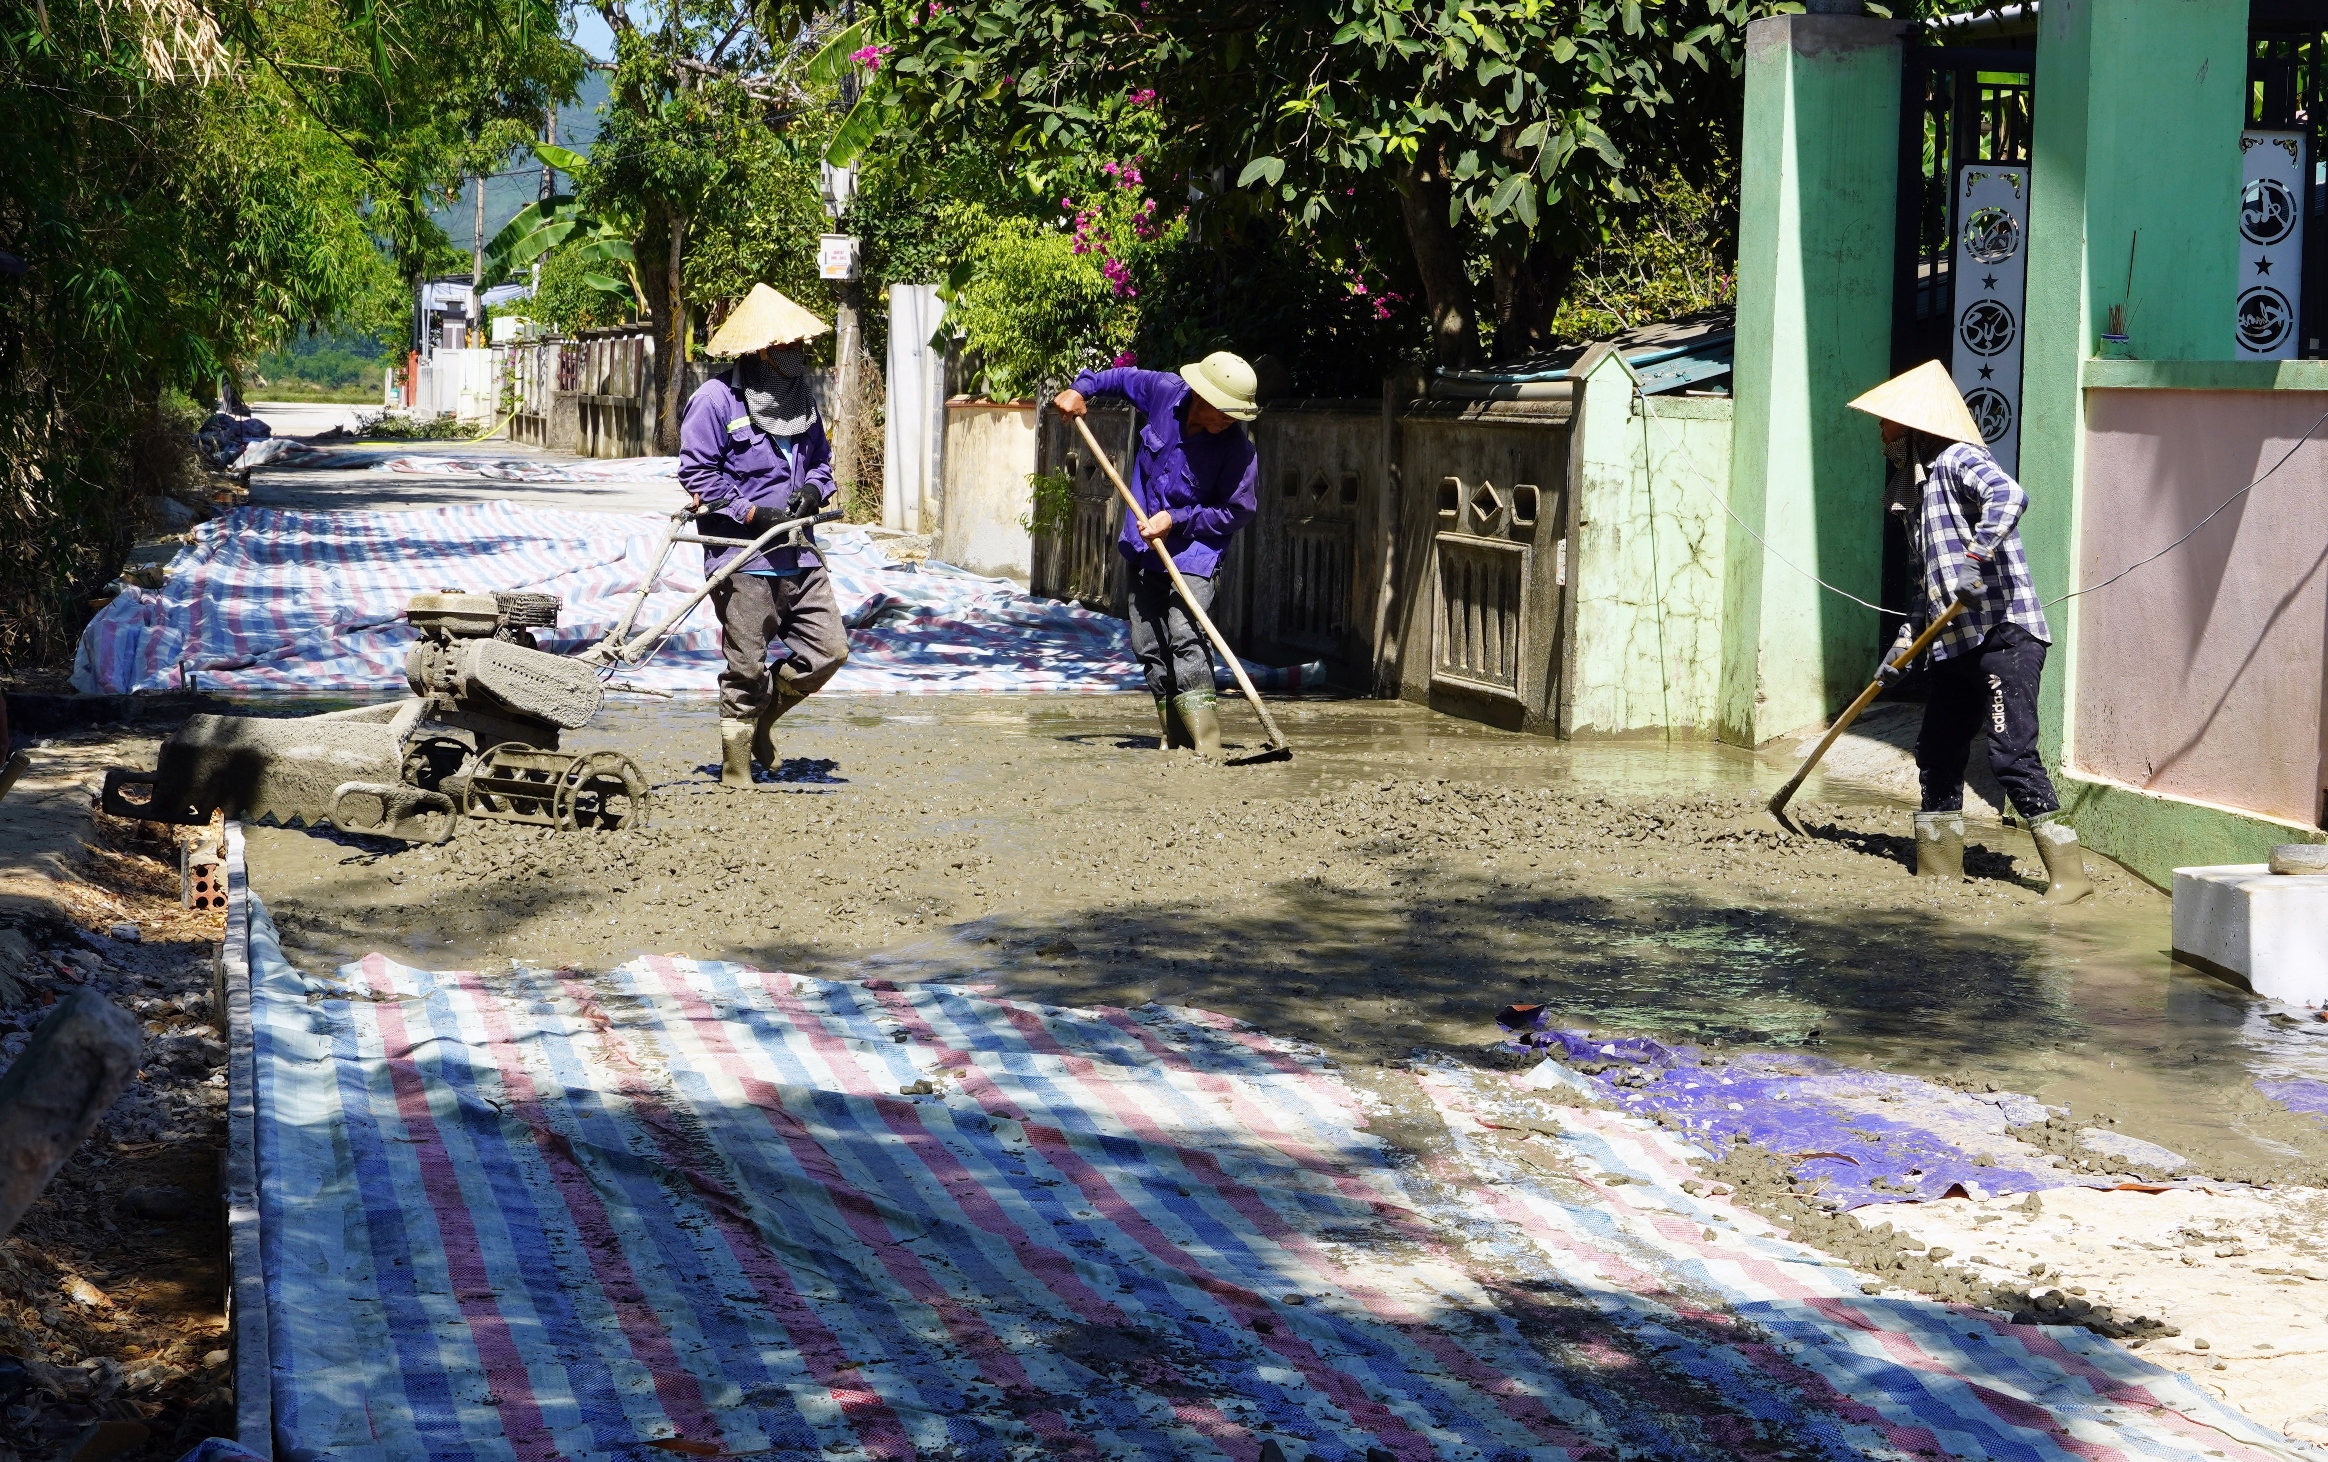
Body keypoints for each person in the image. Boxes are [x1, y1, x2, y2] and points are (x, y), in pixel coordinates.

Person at [1848, 360, 2091, 902]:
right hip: (1955, 643)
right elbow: (1928, 598)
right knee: (1935, 749)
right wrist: (1899, 654)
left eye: (1887, 424)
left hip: (2004, 634)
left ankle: (2069, 878)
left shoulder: (1960, 460)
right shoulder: (1914, 498)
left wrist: (1975, 556)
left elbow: (2010, 497)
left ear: (1912, 428)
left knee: (2010, 753)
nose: (1881, 434)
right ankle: (1939, 867)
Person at [680, 284, 851, 787]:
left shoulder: (803, 402)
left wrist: (815, 492)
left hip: (799, 555)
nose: (794, 353)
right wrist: (752, 513)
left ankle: (765, 721)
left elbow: (821, 463)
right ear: (758, 351)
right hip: (742, 557)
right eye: (783, 346)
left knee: (831, 650)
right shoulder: (714, 400)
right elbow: (697, 474)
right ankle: (735, 770)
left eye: (798, 344)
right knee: (747, 668)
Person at [1051, 352, 1260, 757]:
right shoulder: (1165, 393)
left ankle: (1207, 745)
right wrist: (1080, 389)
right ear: (1201, 396)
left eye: (1236, 416)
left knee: (1185, 633)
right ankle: (1175, 736)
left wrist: (1177, 519)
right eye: (1224, 412)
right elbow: (1119, 378)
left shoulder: (1238, 450)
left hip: (1196, 548)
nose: (1229, 422)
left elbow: (1237, 511)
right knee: (1147, 642)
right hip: (1144, 544)